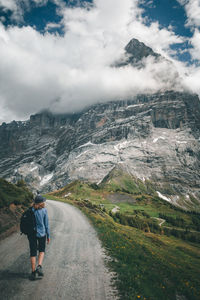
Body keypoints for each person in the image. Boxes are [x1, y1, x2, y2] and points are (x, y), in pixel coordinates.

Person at [28, 194, 50, 280]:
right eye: (43, 201)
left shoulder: (31, 210)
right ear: (41, 203)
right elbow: (46, 224)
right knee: (41, 250)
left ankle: (33, 272)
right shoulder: (44, 211)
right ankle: (39, 266)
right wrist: (48, 235)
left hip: (32, 234)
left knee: (33, 252)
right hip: (42, 234)